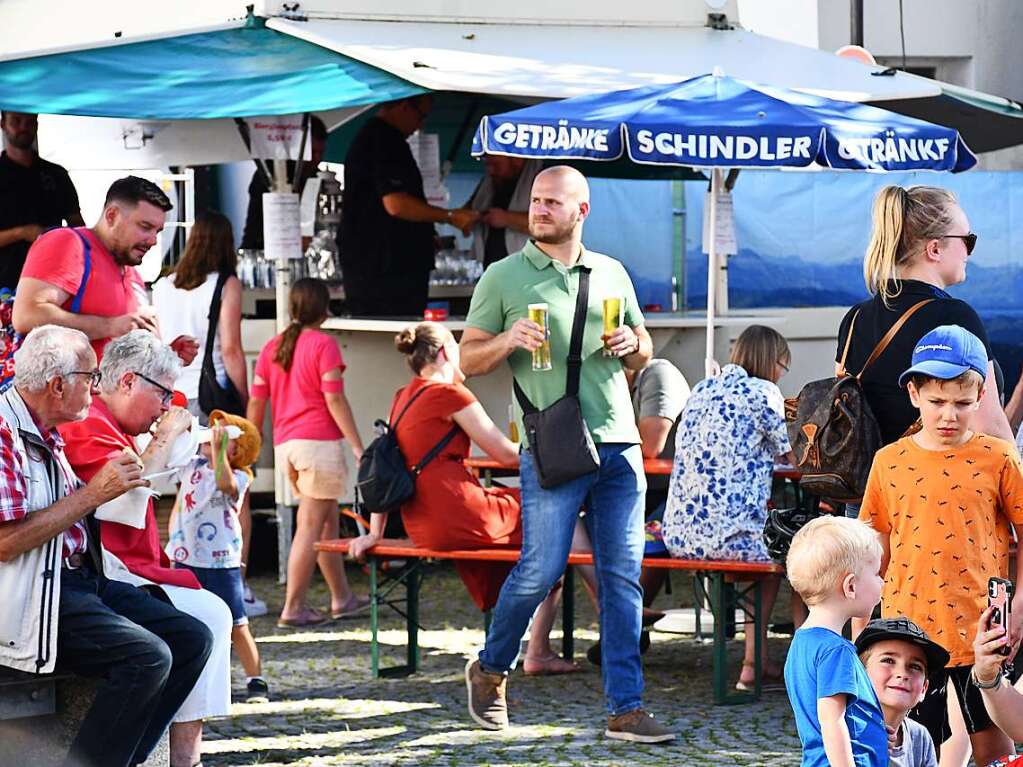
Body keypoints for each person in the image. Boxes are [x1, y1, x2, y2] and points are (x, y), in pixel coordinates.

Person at [459, 165, 673, 742]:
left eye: (553, 202)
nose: (540, 210)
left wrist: (635, 346)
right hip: (551, 444)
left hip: (619, 442)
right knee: (540, 570)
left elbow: (642, 348)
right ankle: (491, 667)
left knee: (623, 578)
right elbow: (467, 361)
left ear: (582, 211)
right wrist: (506, 341)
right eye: (536, 201)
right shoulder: (503, 278)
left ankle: (626, 708)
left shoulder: (611, 271)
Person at [0, 325, 213, 767]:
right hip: (33, 594)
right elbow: (6, 543)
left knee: (193, 638)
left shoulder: (50, 425)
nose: (97, 388)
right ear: (58, 385)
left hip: (76, 580)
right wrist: (95, 494)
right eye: (90, 377)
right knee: (147, 657)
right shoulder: (6, 431)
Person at [348, 321, 579, 674]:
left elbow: (386, 466)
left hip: (422, 522)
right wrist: (562, 453)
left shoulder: (402, 396)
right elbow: (504, 454)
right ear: (443, 353)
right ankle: (584, 630)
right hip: (458, 511)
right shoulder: (450, 394)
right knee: (560, 518)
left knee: (548, 531)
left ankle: (541, 649)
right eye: (456, 347)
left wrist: (375, 534)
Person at [59, 330, 233, 767]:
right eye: (163, 394)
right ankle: (181, 756)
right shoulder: (90, 424)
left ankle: (173, 755)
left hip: (112, 570)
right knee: (205, 619)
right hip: (104, 571)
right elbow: (123, 511)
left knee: (200, 627)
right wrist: (161, 439)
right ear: (129, 382)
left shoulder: (105, 422)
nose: (166, 405)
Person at [856, 324, 1023, 766]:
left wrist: (1020, 604)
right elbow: (874, 551)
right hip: (908, 635)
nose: (949, 415)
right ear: (914, 393)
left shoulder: (1001, 458)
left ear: (982, 396)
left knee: (994, 749)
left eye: (963, 403)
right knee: (908, 748)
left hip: (983, 633)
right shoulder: (888, 462)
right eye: (937, 402)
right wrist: (860, 629)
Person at [661, 325, 794, 690]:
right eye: (784, 365)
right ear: (772, 362)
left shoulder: (702, 389)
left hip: (680, 534)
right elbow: (791, 454)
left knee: (761, 549)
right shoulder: (764, 393)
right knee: (779, 558)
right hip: (730, 538)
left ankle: (758, 660)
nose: (783, 373)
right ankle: (754, 663)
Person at [836, 185, 1012, 455]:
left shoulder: (855, 318)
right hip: (935, 489)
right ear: (934, 250)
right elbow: (988, 426)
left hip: (867, 490)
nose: (969, 253)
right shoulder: (954, 317)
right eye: (968, 240)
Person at [247, 278, 368, 627]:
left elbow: (258, 400)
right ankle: (294, 607)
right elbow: (334, 398)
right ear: (324, 307)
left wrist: (250, 443)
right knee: (311, 526)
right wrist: (358, 446)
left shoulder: (273, 347)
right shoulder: (324, 345)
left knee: (327, 521)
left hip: (287, 446)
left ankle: (341, 598)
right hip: (318, 445)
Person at [13, 175, 199, 364]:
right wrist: (109, 326)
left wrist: (167, 354)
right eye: (145, 227)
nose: (153, 240)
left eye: (157, 231)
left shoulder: (132, 273)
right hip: (71, 389)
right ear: (112, 216)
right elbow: (26, 316)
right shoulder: (68, 243)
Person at [339, 95, 478, 316]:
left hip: (380, 266)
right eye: (421, 116)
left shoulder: (375, 138)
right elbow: (396, 204)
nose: (420, 126)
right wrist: (449, 216)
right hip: (385, 272)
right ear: (404, 107)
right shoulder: (384, 140)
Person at [167, 409, 270, 703]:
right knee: (186, 618)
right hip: (186, 557)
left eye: (226, 434)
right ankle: (192, 676)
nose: (213, 436)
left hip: (221, 561)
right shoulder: (191, 466)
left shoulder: (239, 475)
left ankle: (255, 679)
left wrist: (220, 449)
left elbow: (227, 486)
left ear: (239, 447)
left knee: (237, 623)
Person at [784, 515, 888, 767]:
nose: (882, 581)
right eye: (875, 573)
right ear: (850, 586)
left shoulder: (803, 642)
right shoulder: (836, 650)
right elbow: (832, 720)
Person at [153, 210, 248, 422]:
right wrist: (244, 398)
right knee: (215, 454)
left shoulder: (162, 286)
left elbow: (160, 342)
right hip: (211, 395)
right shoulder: (226, 285)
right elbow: (231, 350)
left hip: (170, 394)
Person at [0, 111, 84, 291]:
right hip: (5, 285)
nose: (23, 127)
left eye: (30, 122)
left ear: (37, 125)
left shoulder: (57, 175)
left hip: (53, 280)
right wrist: (21, 233)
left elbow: (77, 226)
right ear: (3, 124)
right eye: (16, 121)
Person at [855, 618, 949, 767]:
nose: (902, 673)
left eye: (915, 666)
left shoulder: (919, 737)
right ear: (859, 675)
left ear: (924, 688)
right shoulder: (843, 729)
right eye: (889, 660)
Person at [240, 116, 327, 251]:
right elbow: (255, 230)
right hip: (265, 252)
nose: (318, 159)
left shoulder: (315, 178)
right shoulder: (272, 175)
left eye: (321, 153)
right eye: (313, 153)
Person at [465, 156, 541, 269]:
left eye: (496, 164)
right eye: (487, 165)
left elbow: (552, 225)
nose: (490, 170)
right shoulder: (489, 182)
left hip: (527, 267)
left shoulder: (541, 181)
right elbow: (467, 209)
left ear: (517, 160)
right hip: (491, 265)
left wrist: (506, 219)